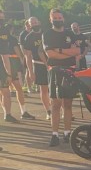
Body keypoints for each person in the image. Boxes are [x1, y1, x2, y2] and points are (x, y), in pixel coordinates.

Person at [42, 9, 79, 146]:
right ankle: (55, 134)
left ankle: (67, 133)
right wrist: (68, 53)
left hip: (69, 71)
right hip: (55, 71)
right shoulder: (47, 34)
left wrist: (59, 50)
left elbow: (77, 51)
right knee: (56, 104)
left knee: (68, 104)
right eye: (55, 17)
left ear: (63, 18)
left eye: (59, 17)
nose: (58, 19)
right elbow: (50, 54)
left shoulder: (70, 33)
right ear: (50, 19)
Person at [0, 19, 35, 121]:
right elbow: (15, 53)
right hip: (6, 65)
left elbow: (15, 52)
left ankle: (23, 111)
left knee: (16, 89)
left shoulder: (11, 39)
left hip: (11, 64)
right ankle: (7, 114)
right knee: (5, 91)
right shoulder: (8, 39)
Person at [22, 17, 52, 120]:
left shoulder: (46, 33)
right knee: (43, 89)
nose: (34, 24)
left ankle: (59, 109)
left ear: (39, 22)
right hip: (38, 65)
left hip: (52, 63)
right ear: (30, 25)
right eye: (32, 23)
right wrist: (30, 72)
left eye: (35, 22)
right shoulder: (28, 38)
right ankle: (48, 111)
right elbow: (28, 56)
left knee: (55, 88)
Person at [18, 19, 34, 90]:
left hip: (36, 54)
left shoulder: (34, 32)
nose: (29, 26)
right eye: (28, 25)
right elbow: (22, 46)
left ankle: (36, 85)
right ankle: (29, 87)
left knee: (36, 70)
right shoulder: (23, 34)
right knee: (28, 70)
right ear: (26, 25)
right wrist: (25, 55)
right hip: (27, 55)